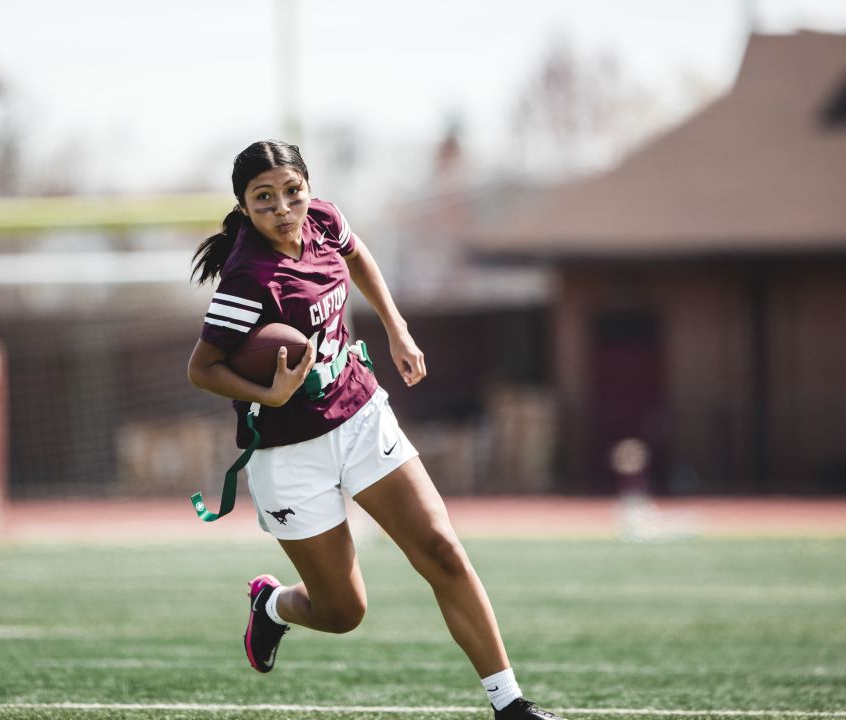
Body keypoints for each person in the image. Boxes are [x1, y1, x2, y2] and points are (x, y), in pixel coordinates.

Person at [187, 140, 567, 720]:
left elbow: (357, 254)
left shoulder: (323, 219)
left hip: (362, 414)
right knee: (343, 612)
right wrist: (270, 393)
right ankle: (272, 606)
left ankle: (509, 703)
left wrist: (397, 328)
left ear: (308, 187)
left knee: (441, 550)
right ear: (243, 206)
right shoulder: (245, 280)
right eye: (265, 199)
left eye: (293, 191)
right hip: (289, 452)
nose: (284, 207)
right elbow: (202, 369)